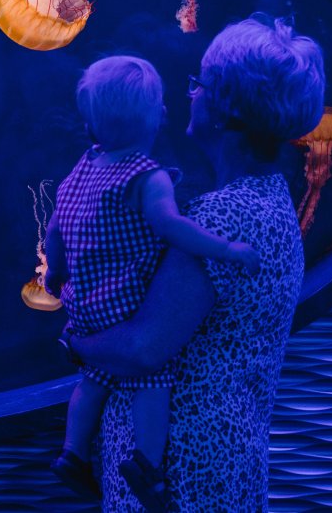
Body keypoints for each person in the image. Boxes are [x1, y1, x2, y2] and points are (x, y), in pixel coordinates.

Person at [63, 16, 325, 512]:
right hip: (223, 462)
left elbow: (143, 348)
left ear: (226, 110)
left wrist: (74, 340)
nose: (191, 94)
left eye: (199, 84)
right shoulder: (269, 201)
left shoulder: (224, 216)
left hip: (186, 476)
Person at [43, 56, 260, 505]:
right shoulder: (147, 176)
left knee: (94, 379)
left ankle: (72, 453)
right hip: (124, 301)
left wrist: (56, 275)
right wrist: (225, 248)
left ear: (90, 122)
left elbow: (54, 231)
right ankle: (148, 465)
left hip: (83, 302)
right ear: (158, 117)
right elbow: (170, 226)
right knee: (152, 378)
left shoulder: (81, 170)